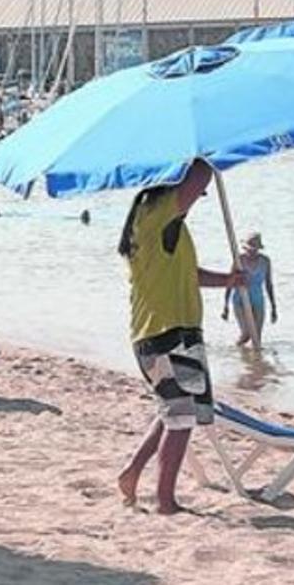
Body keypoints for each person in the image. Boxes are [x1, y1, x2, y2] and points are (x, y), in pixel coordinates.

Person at [115, 160, 244, 515]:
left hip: (155, 334)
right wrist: (203, 153)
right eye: (193, 190)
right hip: (170, 332)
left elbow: (187, 273)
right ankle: (165, 501)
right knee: (181, 417)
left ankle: (132, 472)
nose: (201, 193)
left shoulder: (153, 222)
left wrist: (228, 281)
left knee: (172, 409)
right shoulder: (156, 212)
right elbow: (200, 174)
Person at [222, 232, 277, 345]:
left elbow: (269, 284)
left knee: (257, 338)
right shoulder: (239, 260)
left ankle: (254, 361)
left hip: (258, 299)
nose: (251, 252)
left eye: (254, 249)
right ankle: (235, 350)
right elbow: (230, 281)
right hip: (240, 299)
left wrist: (273, 307)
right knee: (247, 333)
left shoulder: (265, 261)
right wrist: (225, 306)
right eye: (249, 249)